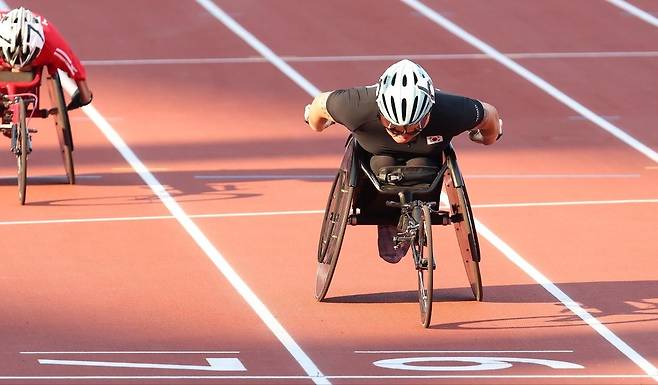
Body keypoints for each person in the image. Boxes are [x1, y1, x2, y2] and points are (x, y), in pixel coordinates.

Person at [304, 59, 503, 263]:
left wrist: (487, 138)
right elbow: (320, 104)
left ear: (428, 114)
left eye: (413, 127)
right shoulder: (355, 106)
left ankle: (412, 216)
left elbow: (489, 115)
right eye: (394, 127)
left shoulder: (451, 111)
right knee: (382, 166)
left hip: (426, 159)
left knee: (422, 169)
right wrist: (316, 124)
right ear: (380, 111)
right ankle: (388, 217)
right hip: (375, 161)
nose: (403, 134)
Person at [0, 7, 92, 111]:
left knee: (21, 73)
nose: (17, 67)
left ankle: (21, 95)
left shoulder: (52, 44)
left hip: (32, 61)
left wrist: (85, 96)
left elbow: (74, 67)